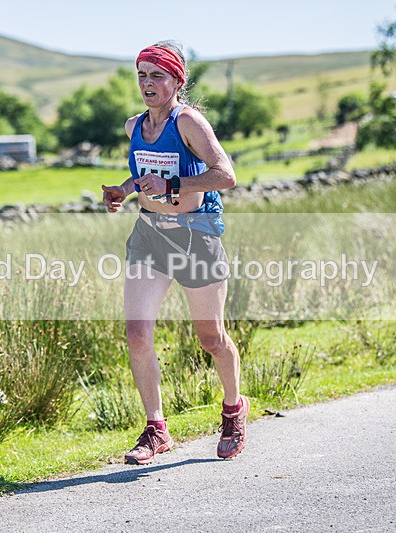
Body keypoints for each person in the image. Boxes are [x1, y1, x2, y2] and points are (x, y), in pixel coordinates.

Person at [101, 41, 249, 465]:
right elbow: (143, 174)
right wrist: (123, 191)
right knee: (137, 335)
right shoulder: (134, 126)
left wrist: (173, 187)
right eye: (142, 76)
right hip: (149, 237)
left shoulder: (188, 122)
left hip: (194, 238)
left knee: (211, 338)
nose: (147, 84)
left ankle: (234, 410)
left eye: (157, 76)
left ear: (176, 81)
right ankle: (156, 428)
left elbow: (225, 175)